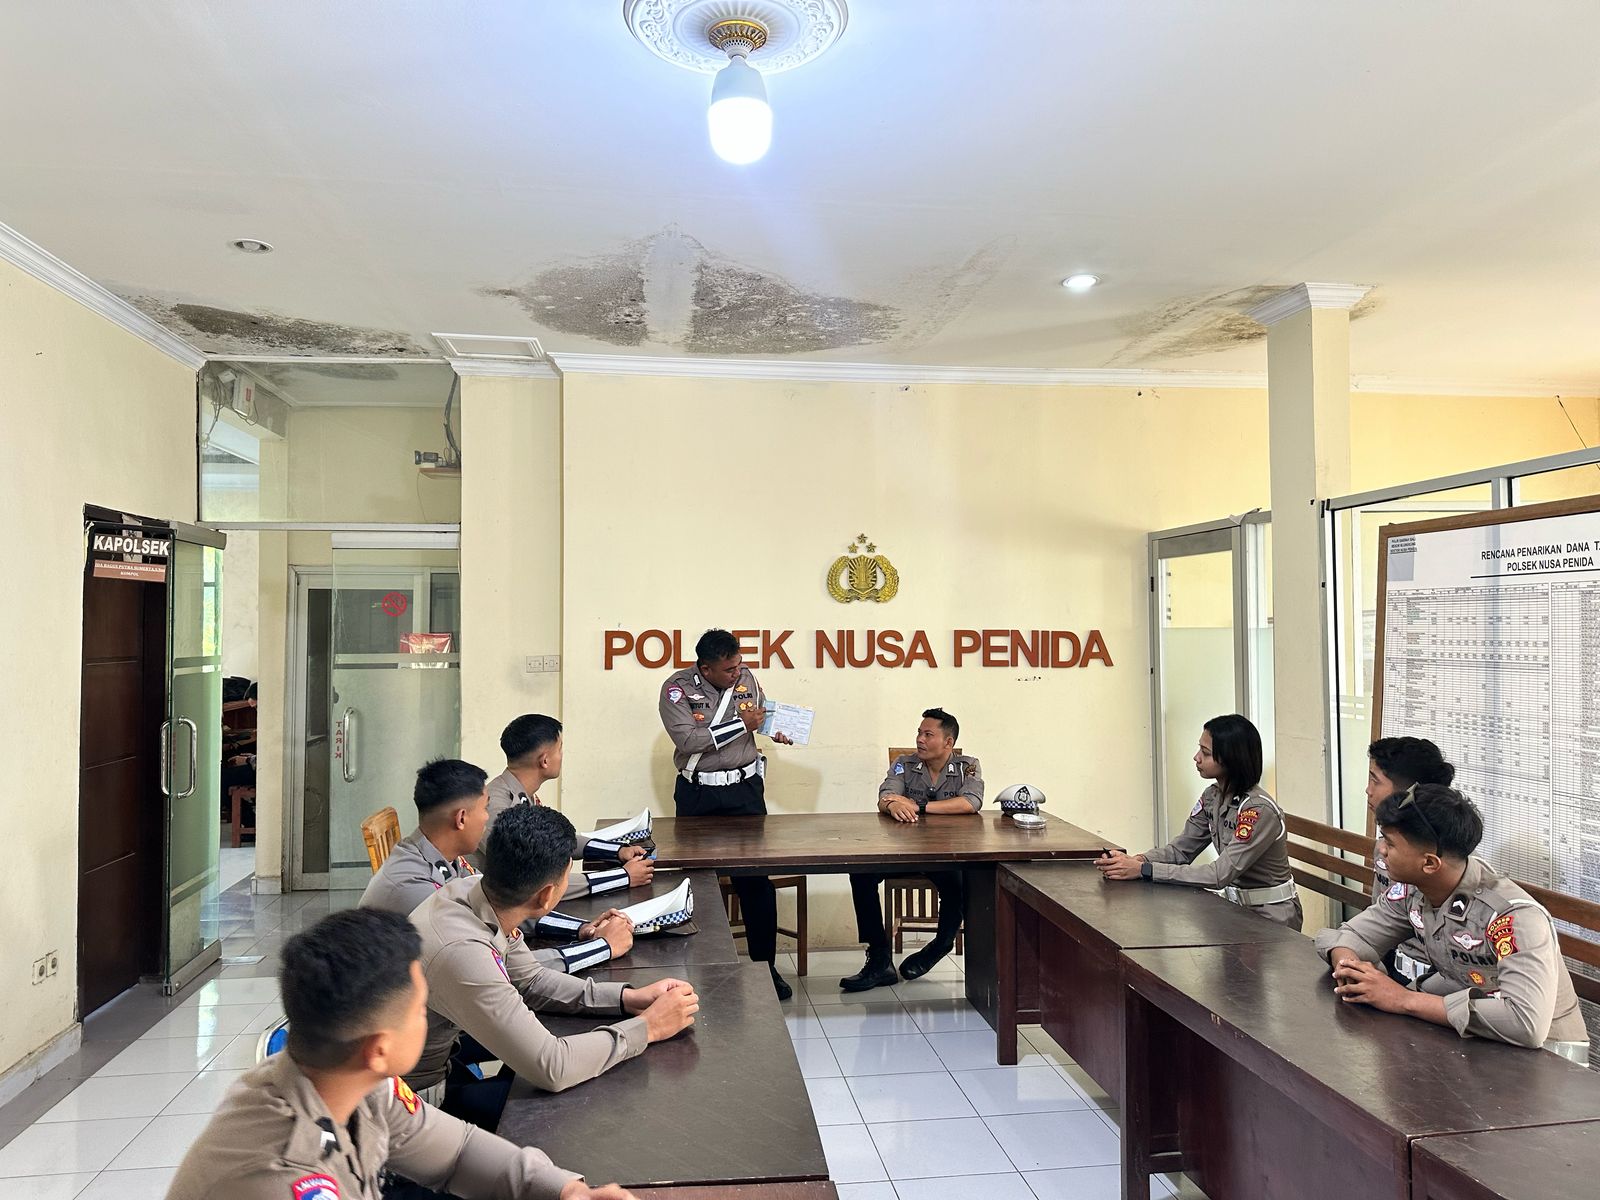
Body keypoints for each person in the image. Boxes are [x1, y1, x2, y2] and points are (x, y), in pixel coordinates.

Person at [164, 908, 635, 1200]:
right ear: (380, 1048)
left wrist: (563, 1190)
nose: (428, 1018)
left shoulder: (354, 1078)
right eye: (419, 1010)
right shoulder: (281, 1180)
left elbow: (457, 1153)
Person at [408, 805, 699, 1124]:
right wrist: (648, 1027)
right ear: (546, 896)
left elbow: (531, 980)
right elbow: (553, 1067)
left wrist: (627, 998)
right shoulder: (463, 953)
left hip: (447, 1060)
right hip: (414, 1104)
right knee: (591, 1108)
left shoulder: (473, 890)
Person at [1314, 783, 1589, 1062]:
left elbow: (1525, 1023)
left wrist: (1402, 999)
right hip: (1471, 1040)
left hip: (1547, 1058)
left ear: (1430, 864)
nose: (1381, 850)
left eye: (1390, 843)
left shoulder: (1512, 917)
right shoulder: (1415, 889)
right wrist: (1350, 969)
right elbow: (1354, 935)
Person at [360, 758, 632, 976]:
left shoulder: (443, 855)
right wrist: (601, 947)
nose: (488, 818)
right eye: (485, 809)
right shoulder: (415, 888)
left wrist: (582, 929)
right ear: (461, 819)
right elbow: (497, 966)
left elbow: (501, 908)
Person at [659, 628, 794, 999]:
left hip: (745, 793)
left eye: (739, 665)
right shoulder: (676, 689)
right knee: (699, 885)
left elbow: (759, 715)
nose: (738, 673)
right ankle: (707, 969)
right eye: (729, 669)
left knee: (756, 883)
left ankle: (766, 968)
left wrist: (777, 729)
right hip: (698, 795)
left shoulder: (746, 677)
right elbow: (688, 740)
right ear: (706, 668)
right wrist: (741, 725)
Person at [1095, 714, 1302, 929]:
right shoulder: (1212, 796)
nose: (1196, 758)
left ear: (1231, 759)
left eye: (1206, 753)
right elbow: (1181, 850)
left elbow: (1218, 875)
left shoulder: (1257, 810)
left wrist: (1144, 870)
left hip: (1272, 917)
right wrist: (1136, 860)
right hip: (1236, 911)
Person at [841, 708, 983, 992]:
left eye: (928, 734)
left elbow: (970, 802)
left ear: (948, 742)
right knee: (860, 873)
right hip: (904, 852)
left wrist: (919, 806)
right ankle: (879, 958)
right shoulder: (904, 764)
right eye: (919, 733)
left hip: (945, 855)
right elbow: (886, 795)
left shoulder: (967, 766)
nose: (920, 739)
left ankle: (940, 945)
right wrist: (893, 803)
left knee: (960, 881)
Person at [478, 714, 655, 902]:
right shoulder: (496, 805)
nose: (562, 755)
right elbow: (530, 883)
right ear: (544, 761)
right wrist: (622, 877)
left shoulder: (520, 793)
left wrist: (617, 851)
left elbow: (554, 842)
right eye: (560, 749)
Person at [1365, 736, 1455, 981]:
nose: (1368, 790)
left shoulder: (1449, 862)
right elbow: (1377, 917)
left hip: (1437, 983)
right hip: (1390, 966)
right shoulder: (1383, 847)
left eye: (1375, 780)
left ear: (1408, 793)